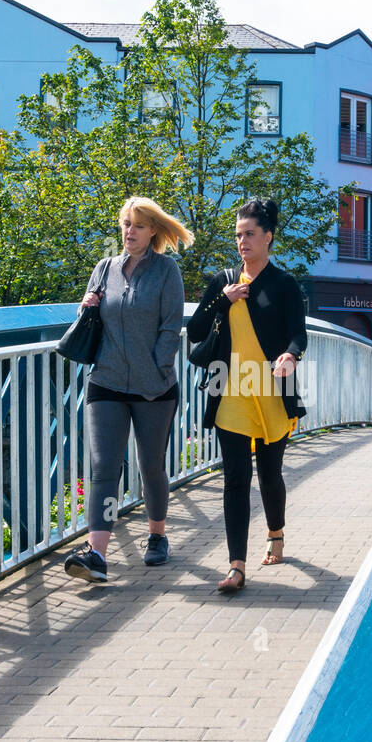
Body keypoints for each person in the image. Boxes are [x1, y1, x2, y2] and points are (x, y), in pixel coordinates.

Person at [63, 197, 193, 583]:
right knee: (104, 466)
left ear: (153, 230)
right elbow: (91, 318)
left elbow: (172, 326)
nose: (129, 232)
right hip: (106, 380)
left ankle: (157, 536)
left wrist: (158, 367)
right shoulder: (105, 268)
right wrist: (85, 306)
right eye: (124, 224)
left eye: (137, 225)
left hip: (154, 387)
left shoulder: (167, 271)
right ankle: (97, 553)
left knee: (149, 464)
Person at [187, 197, 307, 594]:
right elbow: (195, 330)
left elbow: (298, 332)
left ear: (268, 237)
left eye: (250, 234)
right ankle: (236, 566)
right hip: (229, 388)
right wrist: (224, 298)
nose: (242, 241)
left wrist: (290, 354)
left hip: (273, 388)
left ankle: (275, 534)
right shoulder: (223, 281)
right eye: (238, 235)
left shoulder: (284, 284)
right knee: (236, 477)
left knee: (269, 473)